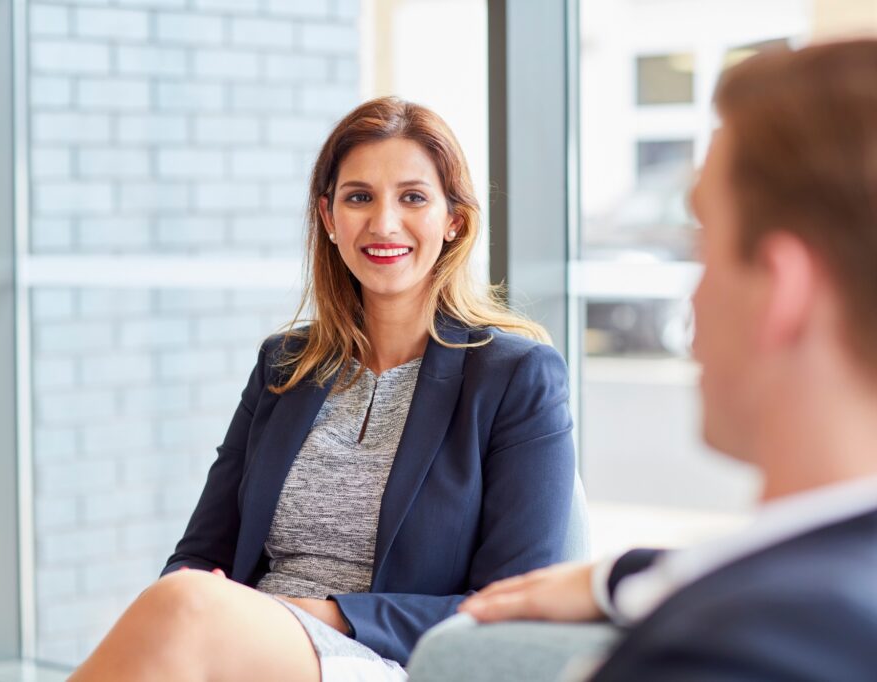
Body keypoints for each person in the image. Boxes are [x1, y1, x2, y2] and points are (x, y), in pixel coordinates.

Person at [70, 96, 577, 682]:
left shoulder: (516, 375)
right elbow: (200, 553)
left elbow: (512, 605)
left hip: (388, 658)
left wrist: (317, 614)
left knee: (184, 606)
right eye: (359, 197)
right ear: (329, 218)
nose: (384, 223)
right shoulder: (283, 364)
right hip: (245, 639)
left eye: (413, 197)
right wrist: (227, 606)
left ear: (454, 219)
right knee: (182, 599)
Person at [457, 39, 877, 680]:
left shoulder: (736, 653)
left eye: (702, 246)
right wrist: (625, 576)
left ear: (779, 289)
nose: (694, 302)